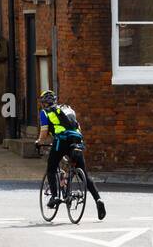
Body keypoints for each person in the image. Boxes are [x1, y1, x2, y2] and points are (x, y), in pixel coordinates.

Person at [35, 90, 106, 220]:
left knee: (51, 168)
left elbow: (44, 133)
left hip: (61, 141)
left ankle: (55, 196)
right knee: (83, 172)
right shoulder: (68, 109)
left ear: (44, 103)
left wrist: (39, 142)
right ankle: (98, 200)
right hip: (77, 141)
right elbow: (76, 126)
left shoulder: (45, 112)